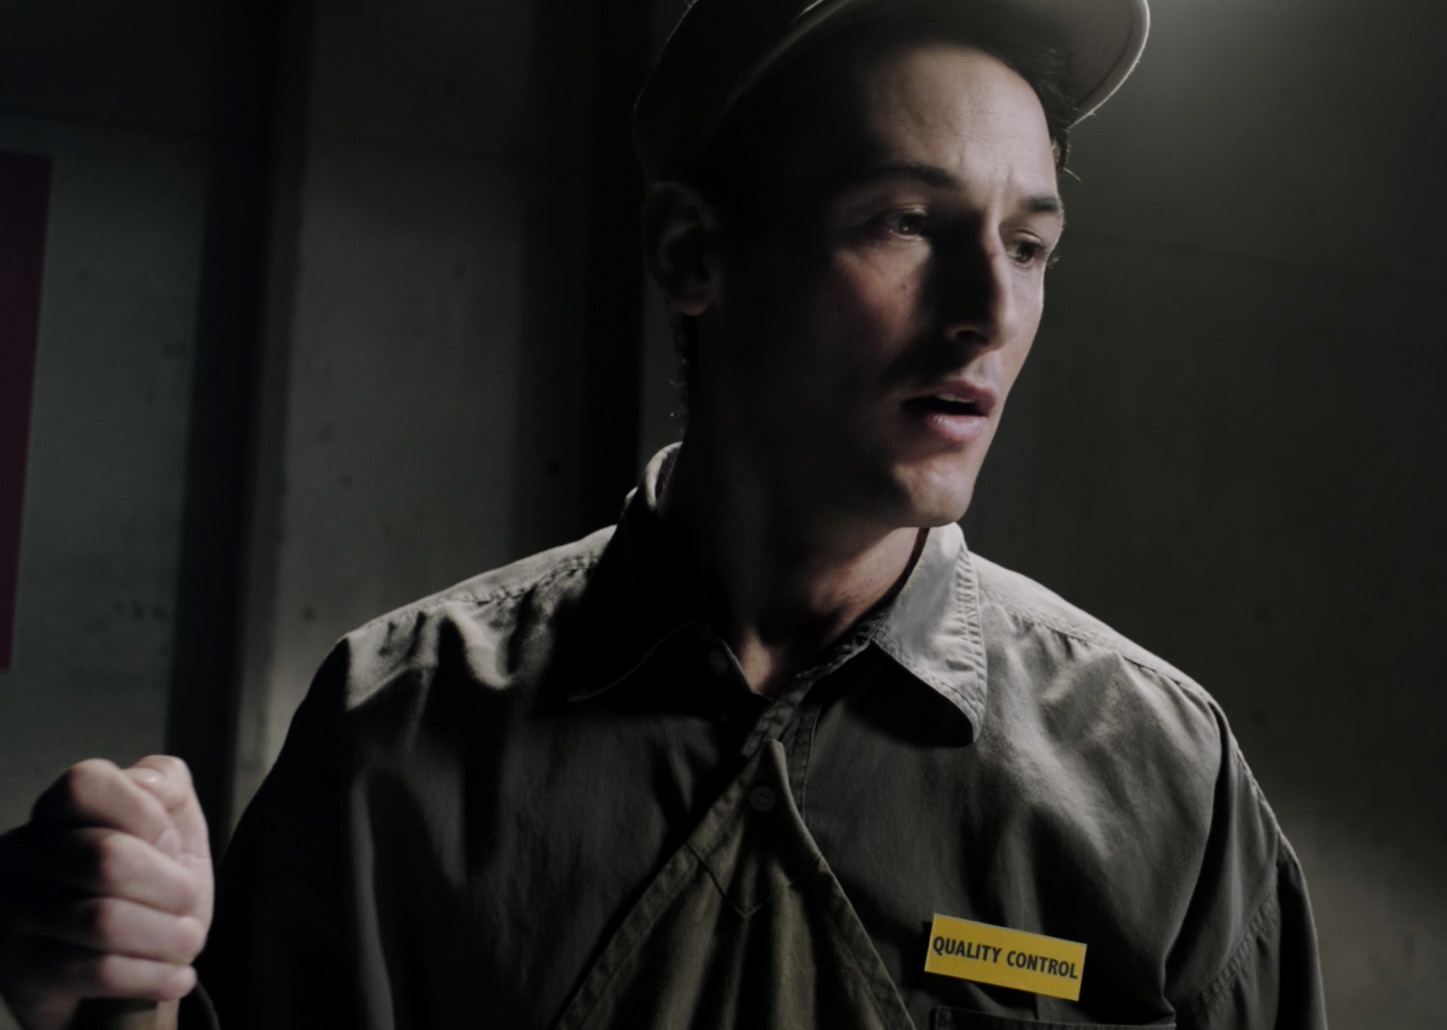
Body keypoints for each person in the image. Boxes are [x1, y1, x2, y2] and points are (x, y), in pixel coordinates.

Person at [0, 0, 1325, 1026]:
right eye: (905, 222)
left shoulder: (1164, 783)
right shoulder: (396, 735)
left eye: (1028, 245)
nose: (988, 311)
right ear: (693, 253)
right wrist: (101, 998)